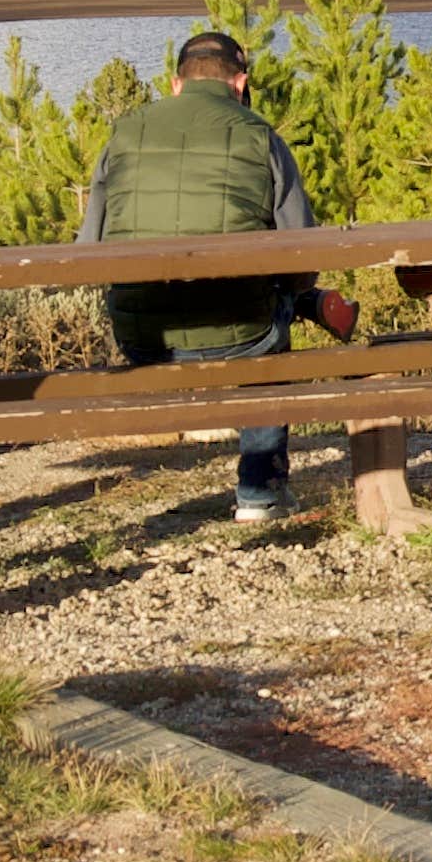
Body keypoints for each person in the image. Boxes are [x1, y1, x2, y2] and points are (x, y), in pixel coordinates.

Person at [85, 29, 331, 522]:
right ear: (239, 84)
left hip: (143, 337)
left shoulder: (124, 133)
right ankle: (260, 491)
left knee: (269, 303)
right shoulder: (260, 136)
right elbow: (302, 257)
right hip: (241, 333)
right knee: (274, 331)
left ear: (176, 84)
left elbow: (88, 250)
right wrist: (299, 294)